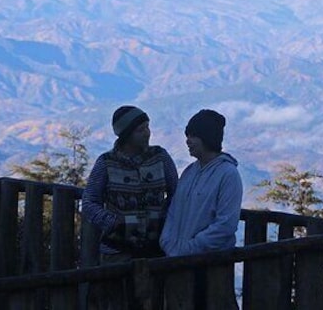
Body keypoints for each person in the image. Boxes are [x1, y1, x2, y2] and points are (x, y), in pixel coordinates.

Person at [82, 105, 178, 307]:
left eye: (147, 127)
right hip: (117, 252)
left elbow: (176, 194)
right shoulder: (106, 163)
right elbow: (90, 201)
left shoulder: (160, 157)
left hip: (155, 249)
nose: (147, 133)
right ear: (126, 134)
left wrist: (165, 219)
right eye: (140, 129)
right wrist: (113, 223)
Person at [160, 109, 243, 310]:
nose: (187, 141)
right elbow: (174, 211)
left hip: (209, 266)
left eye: (193, 136)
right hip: (178, 262)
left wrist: (190, 248)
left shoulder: (228, 175)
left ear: (207, 138)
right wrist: (168, 241)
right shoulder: (189, 172)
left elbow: (225, 225)